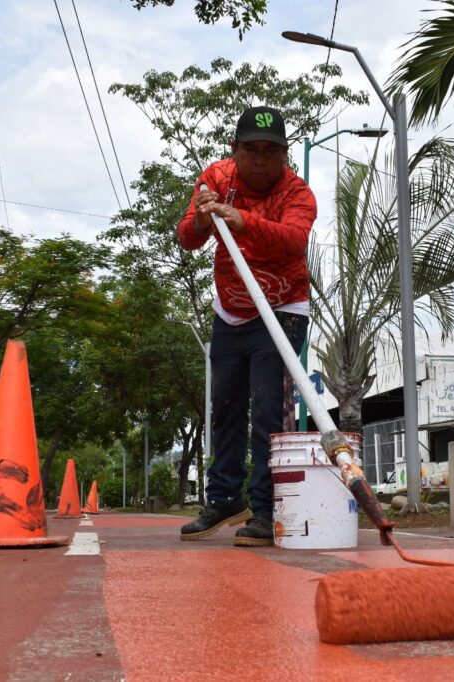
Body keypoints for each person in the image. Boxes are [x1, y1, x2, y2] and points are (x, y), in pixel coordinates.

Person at [177, 106, 316, 546]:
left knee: (267, 410)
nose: (260, 160)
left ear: (284, 154)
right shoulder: (216, 179)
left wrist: (243, 220)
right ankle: (223, 498)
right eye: (250, 150)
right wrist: (201, 220)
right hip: (231, 310)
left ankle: (266, 508)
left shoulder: (298, 192)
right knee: (226, 406)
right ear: (234, 150)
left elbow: (294, 239)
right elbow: (187, 237)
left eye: (270, 151)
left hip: (283, 309)